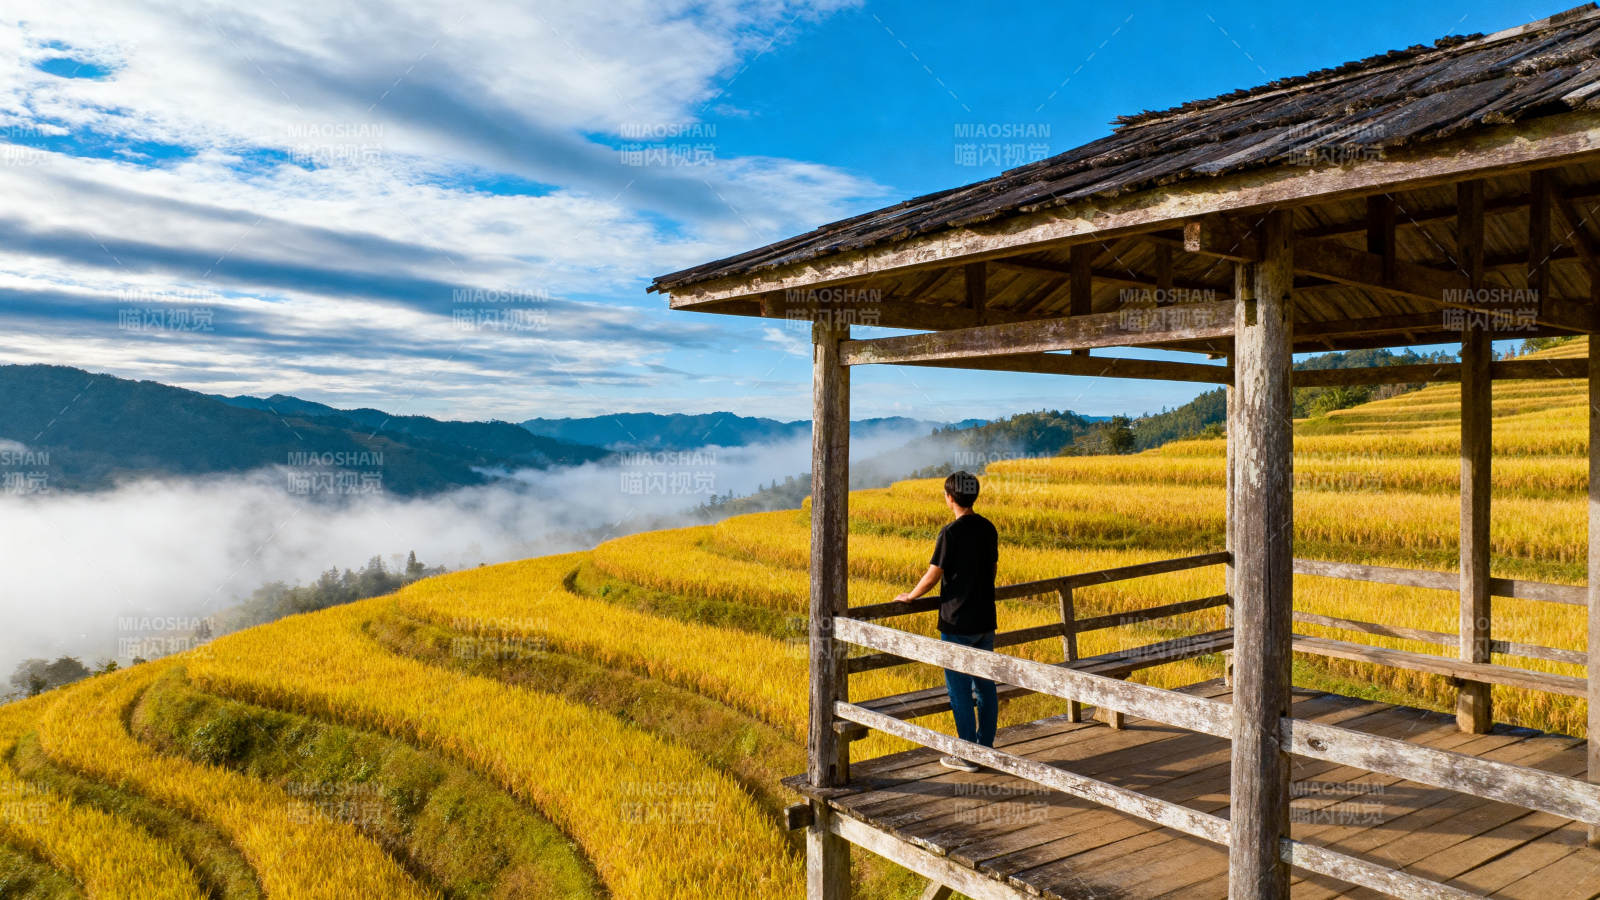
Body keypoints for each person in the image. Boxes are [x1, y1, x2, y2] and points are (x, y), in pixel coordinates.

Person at [894, 470, 999, 772]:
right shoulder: (988, 528)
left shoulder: (949, 533)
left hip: (956, 622)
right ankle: (985, 748)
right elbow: (990, 571)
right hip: (985, 619)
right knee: (985, 686)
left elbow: (933, 574)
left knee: (959, 691)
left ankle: (967, 754)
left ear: (950, 497)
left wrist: (911, 596)